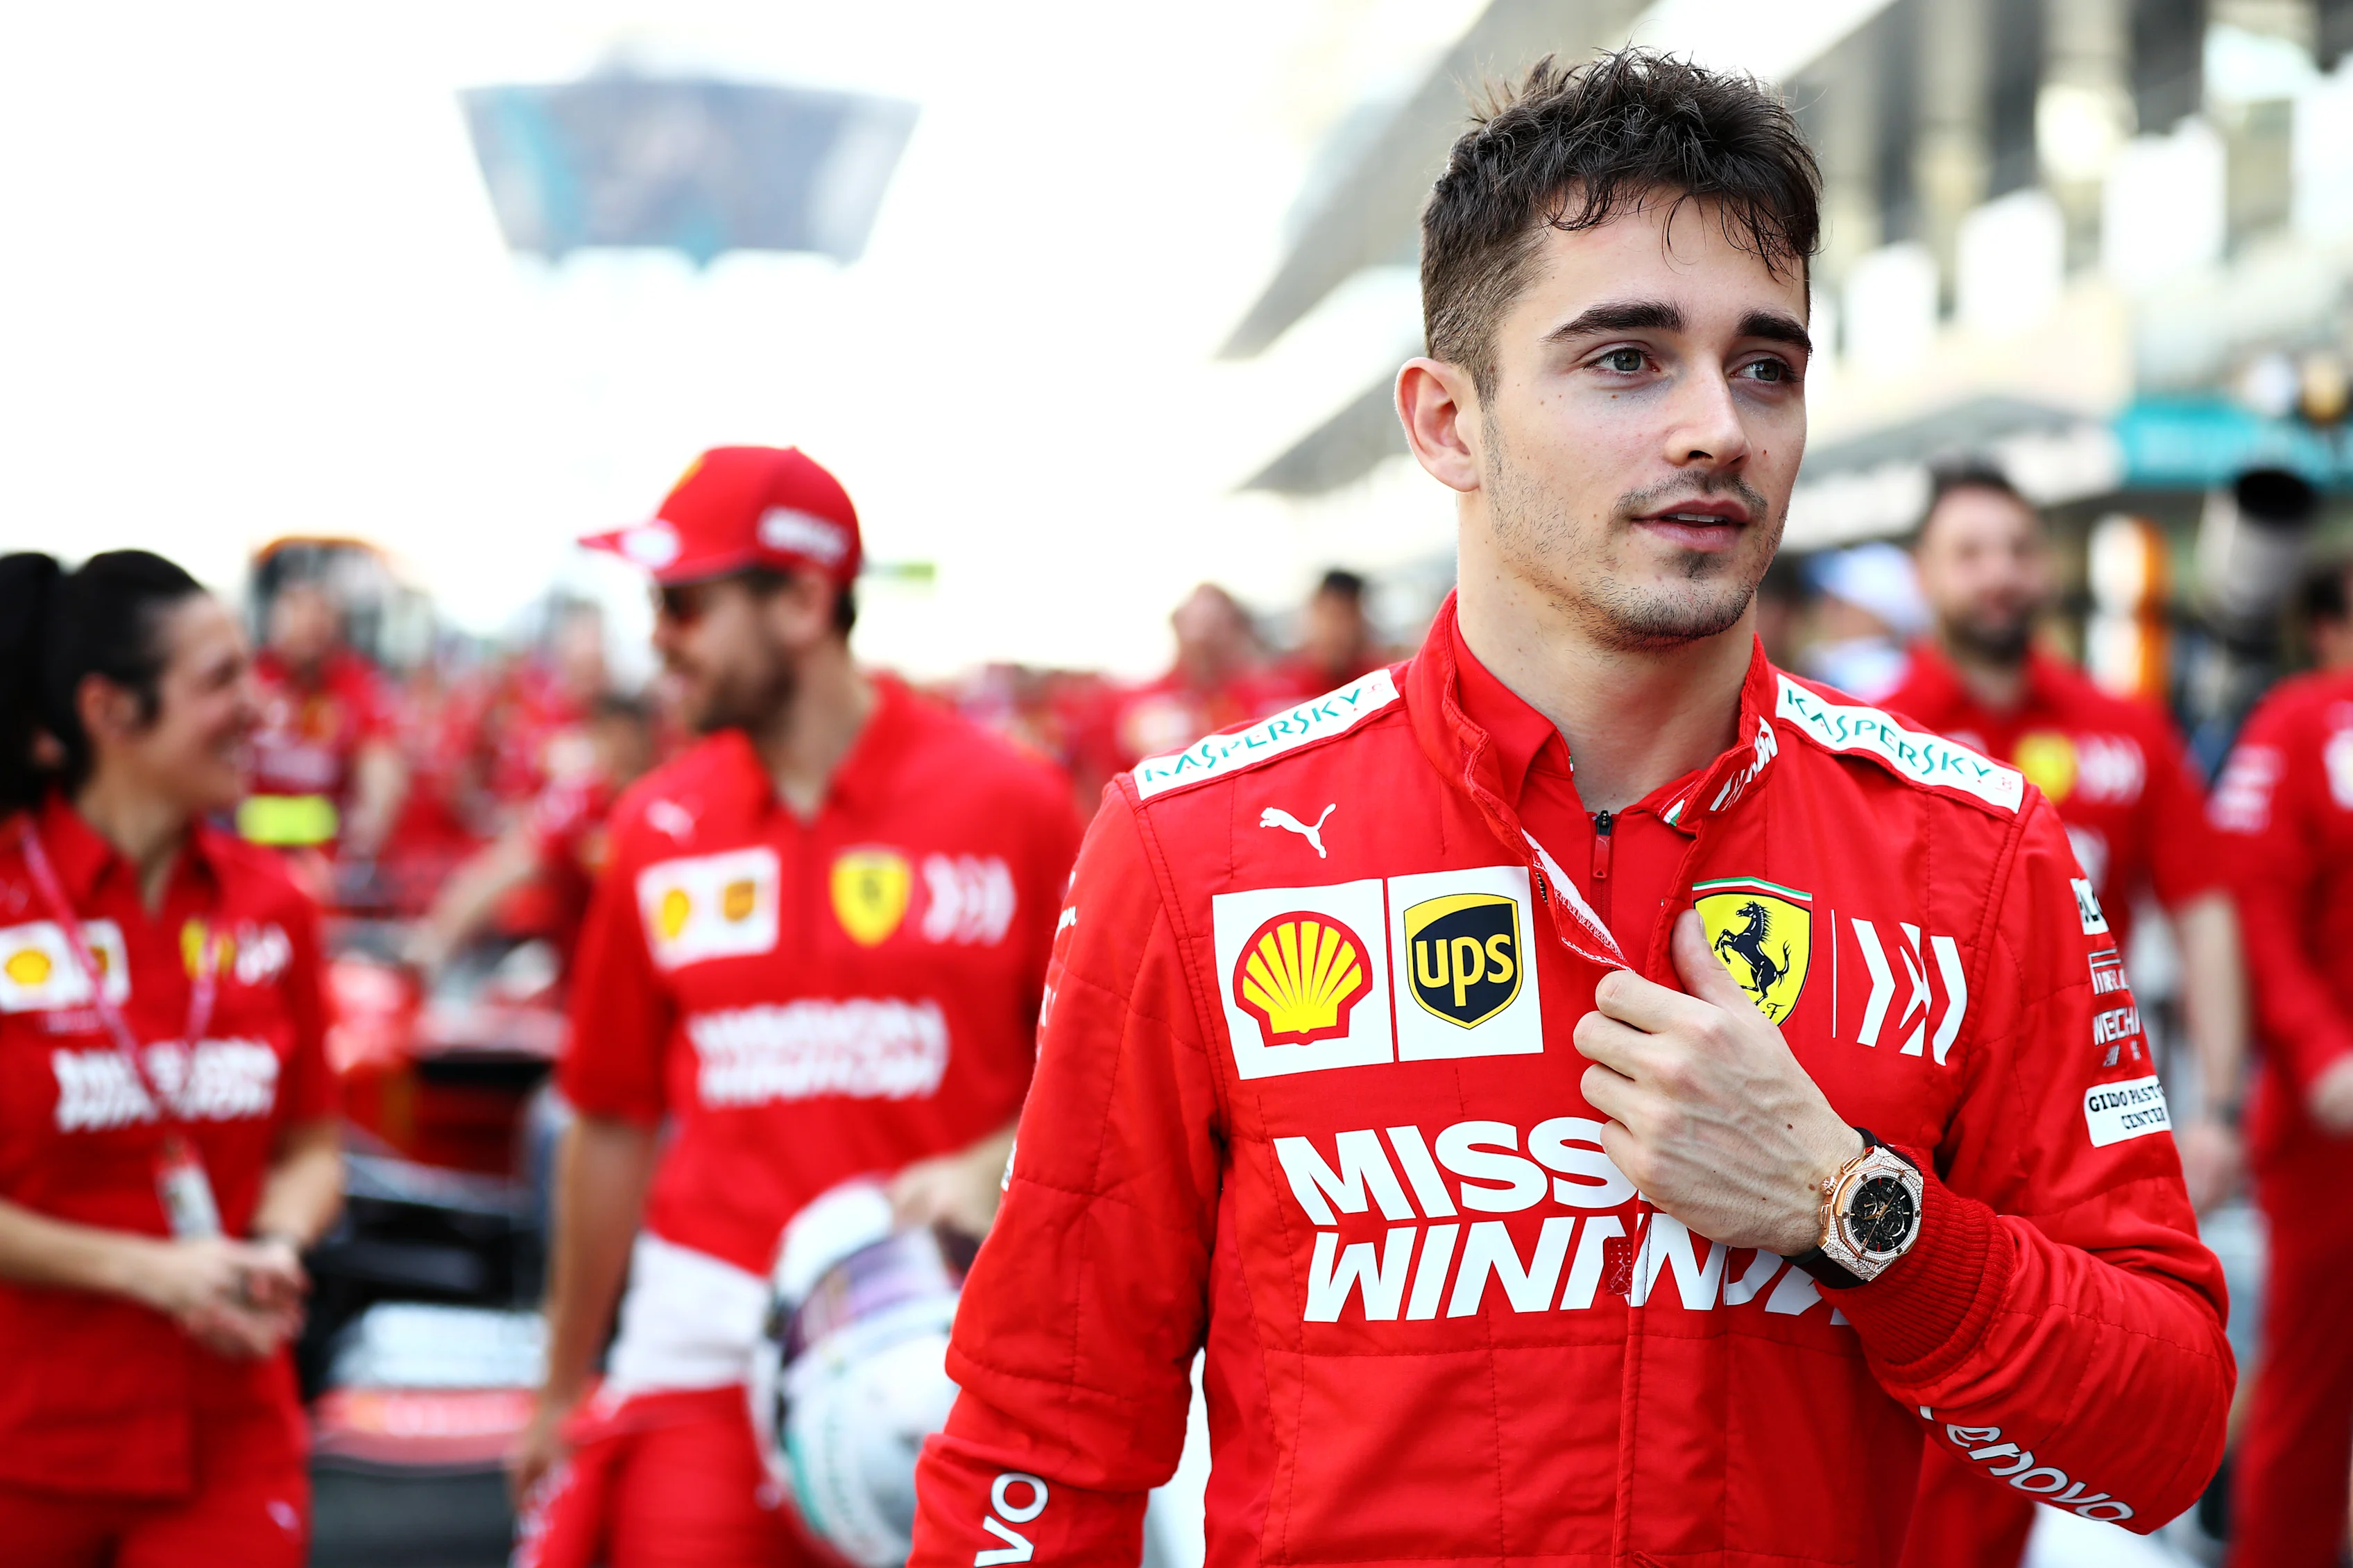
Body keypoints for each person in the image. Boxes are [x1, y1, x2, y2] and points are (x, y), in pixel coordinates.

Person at [909, 52, 2230, 1567]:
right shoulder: (1196, 849)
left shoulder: (1972, 853)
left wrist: (1852, 1206)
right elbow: (1040, 1441)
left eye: (1765, 367)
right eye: (1625, 359)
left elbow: (2161, 1440)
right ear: (1445, 423)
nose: (1716, 427)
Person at [508, 447, 1084, 1568]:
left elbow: (1112, 1075)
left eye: (683, 604)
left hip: (947, 1339)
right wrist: (562, 1384)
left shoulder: (1013, 800)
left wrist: (1001, 1157)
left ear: (805, 604)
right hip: (704, 1341)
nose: (659, 639)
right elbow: (610, 1119)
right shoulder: (655, 824)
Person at [1882, 464, 2249, 1568]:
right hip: (1909, 1144)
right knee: (1905, 1454)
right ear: (1924, 575)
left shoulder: (2123, 731)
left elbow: (2205, 909)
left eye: (2016, 550)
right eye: (1970, 553)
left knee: (2053, 1420)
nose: (1998, 575)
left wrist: (2219, 1105)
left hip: (2076, 1147)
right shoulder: (1869, 735)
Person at [0, 551, 344, 1565]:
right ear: (109, 710)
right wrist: (154, 1274)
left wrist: (274, 1244)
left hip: (230, 1430)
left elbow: (314, 1147)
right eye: (221, 679)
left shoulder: (274, 904)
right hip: (21, 1439)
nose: (259, 706)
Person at [2207, 553, 2353, 1566]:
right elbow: (2253, 906)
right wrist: (2320, 1054)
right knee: (2311, 1387)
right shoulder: (2300, 725)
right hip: (2329, 1128)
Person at [405, 691, 658, 980]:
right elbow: (503, 869)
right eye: (610, 738)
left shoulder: (665, 806)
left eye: (628, 740)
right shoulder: (581, 803)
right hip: (586, 971)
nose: (620, 751)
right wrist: (437, 939)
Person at [243, 577, 407, 865]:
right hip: (246, 851)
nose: (311, 624)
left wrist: (373, 814)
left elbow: (380, 760)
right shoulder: (251, 678)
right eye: (298, 611)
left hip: (324, 859)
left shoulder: (356, 683)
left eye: (321, 613)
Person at [1104, 583, 1310, 770]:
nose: (1206, 640)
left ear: (1236, 629)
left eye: (1215, 624)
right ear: (1177, 626)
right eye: (1196, 625)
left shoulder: (1278, 694)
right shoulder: (1145, 707)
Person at [1279, 569, 1389, 690]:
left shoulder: (1381, 680)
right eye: (1331, 615)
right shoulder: (1280, 685)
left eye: (1347, 616)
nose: (1338, 629)